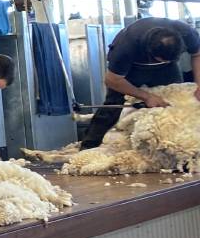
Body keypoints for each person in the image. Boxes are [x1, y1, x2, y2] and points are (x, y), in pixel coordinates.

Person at [80, 17, 200, 148]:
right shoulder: (126, 46)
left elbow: (197, 54)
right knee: (112, 107)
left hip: (167, 70)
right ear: (149, 51)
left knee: (173, 102)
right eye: (161, 59)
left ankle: (178, 147)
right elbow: (112, 80)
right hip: (132, 70)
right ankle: (89, 146)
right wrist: (147, 97)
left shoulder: (186, 32)